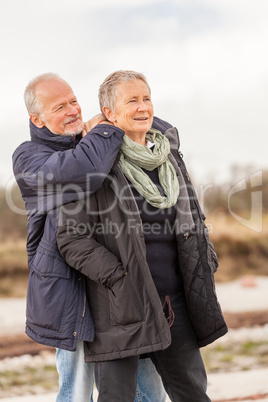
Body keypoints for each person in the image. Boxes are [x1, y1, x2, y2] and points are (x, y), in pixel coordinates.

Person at [57, 70, 228, 402]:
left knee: (193, 393)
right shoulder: (96, 164)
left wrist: (206, 257)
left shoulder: (168, 158)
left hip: (175, 302)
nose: (142, 107)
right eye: (131, 100)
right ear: (108, 113)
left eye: (147, 98)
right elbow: (71, 239)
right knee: (117, 398)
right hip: (121, 306)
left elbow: (194, 217)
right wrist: (119, 277)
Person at [12, 72, 167, 402]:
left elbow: (154, 130)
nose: (72, 110)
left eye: (73, 101)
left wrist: (114, 118)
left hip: (117, 286)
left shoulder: (95, 140)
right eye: (59, 106)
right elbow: (83, 171)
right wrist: (106, 127)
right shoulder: (28, 157)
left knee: (149, 390)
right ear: (36, 119)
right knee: (77, 391)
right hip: (70, 292)